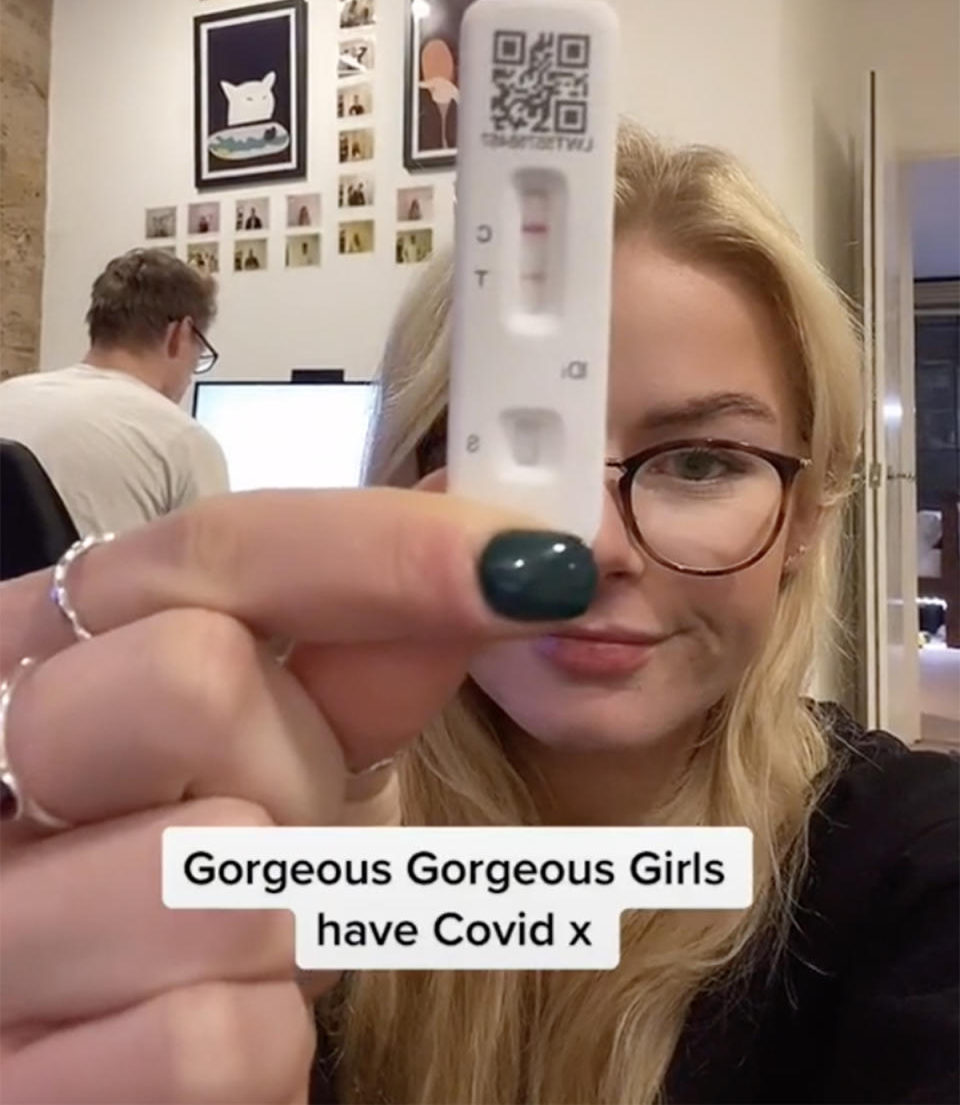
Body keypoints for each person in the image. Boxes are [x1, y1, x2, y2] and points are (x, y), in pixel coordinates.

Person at [0, 124, 956, 1105]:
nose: (590, 553)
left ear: (804, 516)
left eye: (703, 462)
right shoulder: (293, 857)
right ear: (404, 476)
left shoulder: (915, 873)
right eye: (519, 453)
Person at [0, 248, 228, 538]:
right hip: (87, 586)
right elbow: (215, 576)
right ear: (180, 334)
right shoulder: (181, 440)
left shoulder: (8, 395)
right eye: (200, 354)